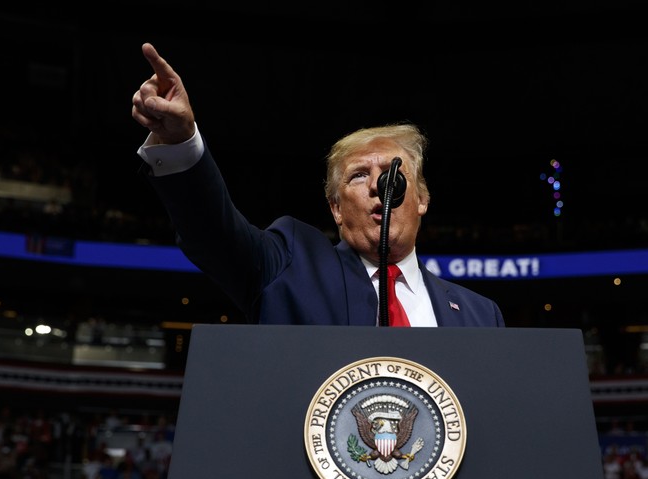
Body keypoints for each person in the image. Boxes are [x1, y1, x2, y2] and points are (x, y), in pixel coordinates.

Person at [130, 42, 505, 328]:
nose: (379, 186)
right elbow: (213, 232)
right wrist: (181, 144)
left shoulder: (479, 313)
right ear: (336, 208)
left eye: (393, 173)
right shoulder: (291, 264)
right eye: (358, 175)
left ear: (422, 199)